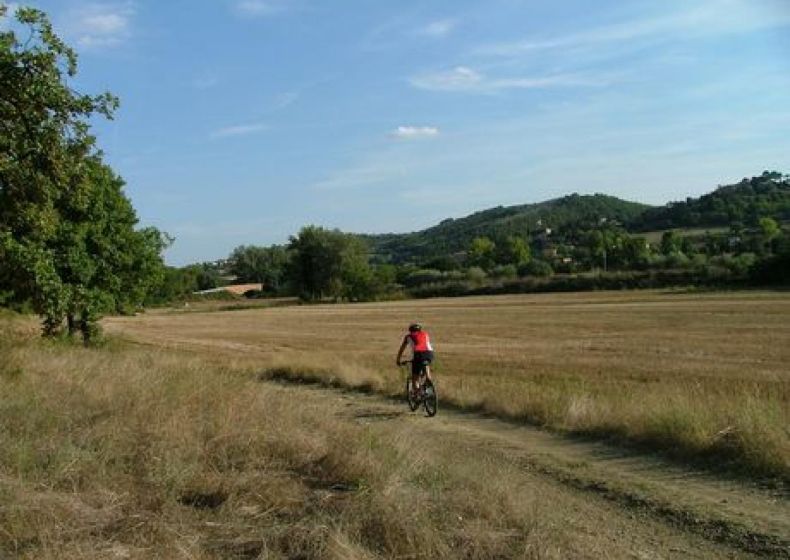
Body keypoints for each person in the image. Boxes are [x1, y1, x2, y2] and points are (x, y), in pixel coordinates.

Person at [396, 323, 434, 395]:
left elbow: (402, 349)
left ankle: (419, 393)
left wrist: (398, 360)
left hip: (418, 354)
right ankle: (428, 380)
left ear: (410, 331)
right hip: (430, 354)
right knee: (425, 364)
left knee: (415, 378)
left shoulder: (408, 336)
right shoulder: (425, 334)